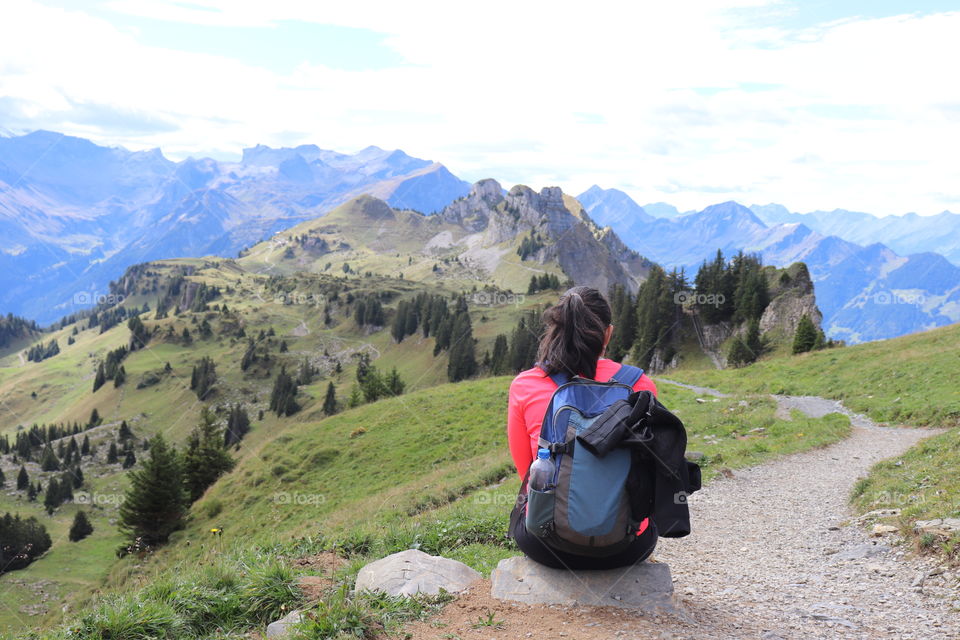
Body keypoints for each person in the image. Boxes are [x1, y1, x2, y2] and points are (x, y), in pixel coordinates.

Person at [506, 286, 659, 569]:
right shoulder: (640, 385)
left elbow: (526, 472)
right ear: (608, 334)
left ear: (556, 330)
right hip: (626, 548)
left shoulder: (525, 385)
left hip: (546, 546)